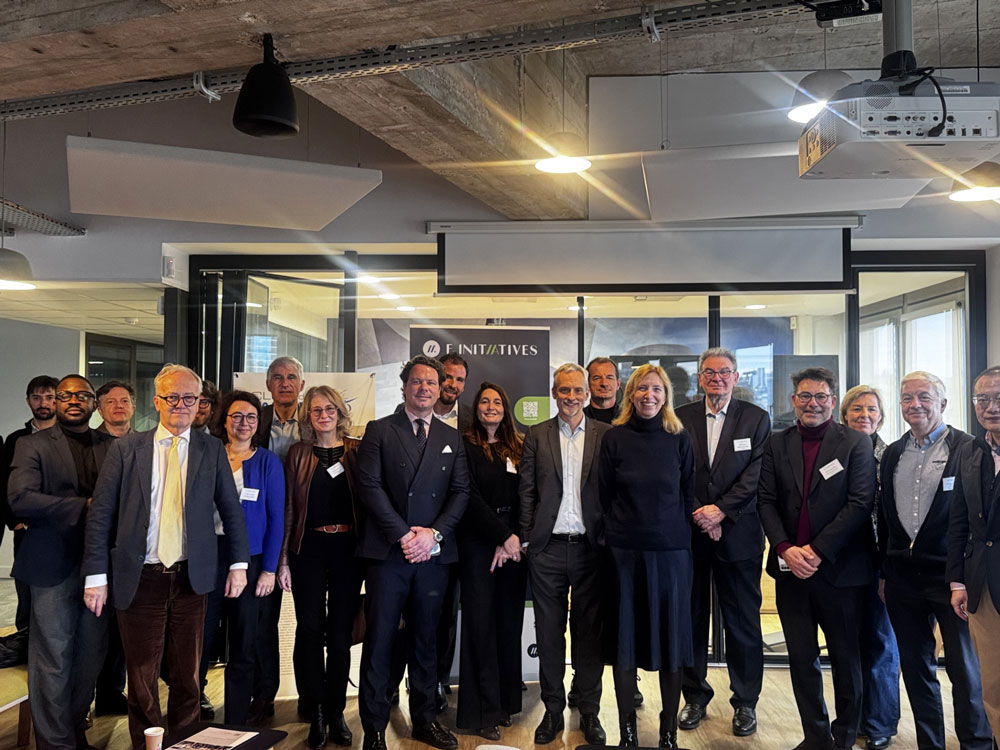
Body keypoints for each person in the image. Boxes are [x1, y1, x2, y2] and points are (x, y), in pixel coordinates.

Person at [82, 364, 250, 750]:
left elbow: (231, 509)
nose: (181, 405)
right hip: (140, 576)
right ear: (157, 401)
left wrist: (239, 564)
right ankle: (147, 745)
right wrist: (95, 576)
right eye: (172, 397)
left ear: (199, 403)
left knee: (188, 673)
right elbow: (101, 514)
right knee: (141, 675)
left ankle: (185, 741)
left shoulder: (210, 449)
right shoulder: (127, 449)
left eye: (189, 398)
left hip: (192, 575)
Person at [757, 366, 877, 750]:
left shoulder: (856, 442)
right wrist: (784, 548)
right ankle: (816, 737)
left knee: (846, 660)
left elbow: (860, 502)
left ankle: (843, 739)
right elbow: (766, 501)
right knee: (801, 659)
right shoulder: (777, 444)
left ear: (832, 400)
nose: (813, 403)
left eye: (821, 396)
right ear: (794, 400)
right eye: (805, 396)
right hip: (791, 572)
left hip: (841, 572)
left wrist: (816, 550)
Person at [356, 355, 470, 750]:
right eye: (417, 382)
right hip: (389, 553)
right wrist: (405, 535)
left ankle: (425, 720)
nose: (424, 388)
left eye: (431, 383)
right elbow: (369, 487)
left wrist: (432, 535)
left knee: (426, 640)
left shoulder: (451, 437)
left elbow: (461, 492)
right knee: (380, 640)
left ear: (440, 391)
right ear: (404, 387)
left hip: (433, 555)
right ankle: (373, 728)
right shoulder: (379, 430)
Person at [878, 372, 990, 750]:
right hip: (902, 580)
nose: (915, 405)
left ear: (942, 403)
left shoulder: (969, 449)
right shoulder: (893, 452)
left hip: (951, 578)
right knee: (916, 669)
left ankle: (976, 743)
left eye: (924, 397)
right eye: (907, 398)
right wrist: (885, 573)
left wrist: (964, 576)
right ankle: (930, 744)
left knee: (965, 671)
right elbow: (885, 518)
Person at [8, 374, 113, 750]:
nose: (73, 401)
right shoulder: (31, 444)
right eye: (65, 395)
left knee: (90, 656)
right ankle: (55, 744)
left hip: (99, 568)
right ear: (55, 402)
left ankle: (73, 733)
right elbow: (20, 498)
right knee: (53, 658)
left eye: (82, 395)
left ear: (94, 404)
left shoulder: (112, 446)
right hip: (51, 566)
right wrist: (84, 507)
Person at [675, 348, 770, 738]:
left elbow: (757, 473)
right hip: (691, 535)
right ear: (700, 378)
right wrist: (701, 513)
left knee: (742, 623)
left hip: (739, 534)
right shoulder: (679, 417)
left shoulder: (756, 418)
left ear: (736, 377)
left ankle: (745, 702)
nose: (717, 378)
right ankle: (694, 696)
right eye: (710, 373)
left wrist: (721, 512)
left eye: (724, 372)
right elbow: (676, 471)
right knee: (691, 620)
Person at [599, 364, 695, 748]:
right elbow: (603, 494)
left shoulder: (679, 438)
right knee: (624, 645)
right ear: (630, 395)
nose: (648, 395)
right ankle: (628, 734)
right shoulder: (614, 438)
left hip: (671, 555)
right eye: (642, 389)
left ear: (666, 395)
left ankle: (668, 732)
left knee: (671, 646)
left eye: (656, 389)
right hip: (624, 555)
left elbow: (688, 493)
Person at [519, 362, 608, 746]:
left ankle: (589, 710)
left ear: (586, 394)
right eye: (564, 390)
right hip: (548, 551)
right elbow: (526, 490)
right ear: (554, 393)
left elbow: (614, 491)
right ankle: (553, 709)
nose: (571, 397)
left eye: (577, 390)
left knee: (589, 634)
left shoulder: (606, 435)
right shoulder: (536, 434)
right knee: (549, 635)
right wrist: (527, 539)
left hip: (592, 550)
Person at [278, 385, 363, 749]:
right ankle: (313, 709)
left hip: (348, 551)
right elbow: (289, 508)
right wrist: (283, 559)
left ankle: (336, 711)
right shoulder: (297, 453)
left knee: (341, 635)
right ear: (308, 416)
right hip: (307, 550)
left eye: (330, 409)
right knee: (309, 630)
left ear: (340, 413)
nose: (324, 415)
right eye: (316, 410)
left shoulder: (357, 451)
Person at [205, 390, 284, 726]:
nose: (244, 422)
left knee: (244, 641)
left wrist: (269, 569)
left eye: (251, 417)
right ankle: (191, 713)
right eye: (236, 415)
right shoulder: (208, 455)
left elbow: (277, 518)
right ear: (224, 420)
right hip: (209, 557)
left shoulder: (267, 462)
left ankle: (236, 720)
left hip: (251, 561)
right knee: (200, 638)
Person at [456, 381, 527, 740]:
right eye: (484, 401)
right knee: (480, 626)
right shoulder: (465, 446)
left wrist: (514, 538)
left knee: (508, 625)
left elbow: (528, 494)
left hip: (514, 547)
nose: (490, 407)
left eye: (497, 402)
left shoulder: (519, 445)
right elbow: (467, 496)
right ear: (476, 408)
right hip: (477, 544)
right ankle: (481, 712)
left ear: (505, 408)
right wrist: (500, 536)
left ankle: (505, 703)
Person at [839, 385, 900, 750]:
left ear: (881, 416)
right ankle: (854, 719)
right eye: (857, 409)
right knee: (849, 643)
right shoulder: (836, 452)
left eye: (871, 409)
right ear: (844, 415)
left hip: (880, 560)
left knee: (880, 641)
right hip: (842, 560)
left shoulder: (891, 455)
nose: (864, 415)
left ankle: (879, 723)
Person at [252, 355, 306, 724]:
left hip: (307, 530)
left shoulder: (316, 419)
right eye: (277, 377)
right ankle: (263, 695)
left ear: (301, 384)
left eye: (291, 377)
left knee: (311, 622)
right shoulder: (255, 421)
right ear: (268, 385)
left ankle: (311, 697)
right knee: (262, 622)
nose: (284, 383)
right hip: (265, 531)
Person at [949, 365, 1000, 742]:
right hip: (984, 588)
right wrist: (957, 581)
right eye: (982, 399)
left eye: (998, 398)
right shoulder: (970, 450)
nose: (990, 406)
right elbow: (960, 520)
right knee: (993, 688)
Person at [1, 374, 58, 634]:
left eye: (49, 397)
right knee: (26, 590)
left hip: (62, 528)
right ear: (28, 401)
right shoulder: (16, 439)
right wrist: (14, 521)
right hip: (27, 530)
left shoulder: (70, 437)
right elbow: (4, 482)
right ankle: (24, 643)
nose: (43, 403)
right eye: (37, 398)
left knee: (59, 593)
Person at [93, 380, 137, 716]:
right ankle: (85, 698)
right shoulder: (87, 443)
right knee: (94, 627)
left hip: (132, 547)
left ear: (134, 406)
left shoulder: (145, 443)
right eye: (110, 401)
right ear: (99, 408)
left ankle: (111, 692)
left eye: (124, 400)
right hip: (96, 545)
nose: (118, 406)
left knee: (124, 624)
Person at [584, 357, 622, 424]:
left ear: (618, 384)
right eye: (597, 378)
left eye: (609, 378)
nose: (604, 383)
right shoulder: (578, 419)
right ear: (588, 384)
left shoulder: (630, 419)